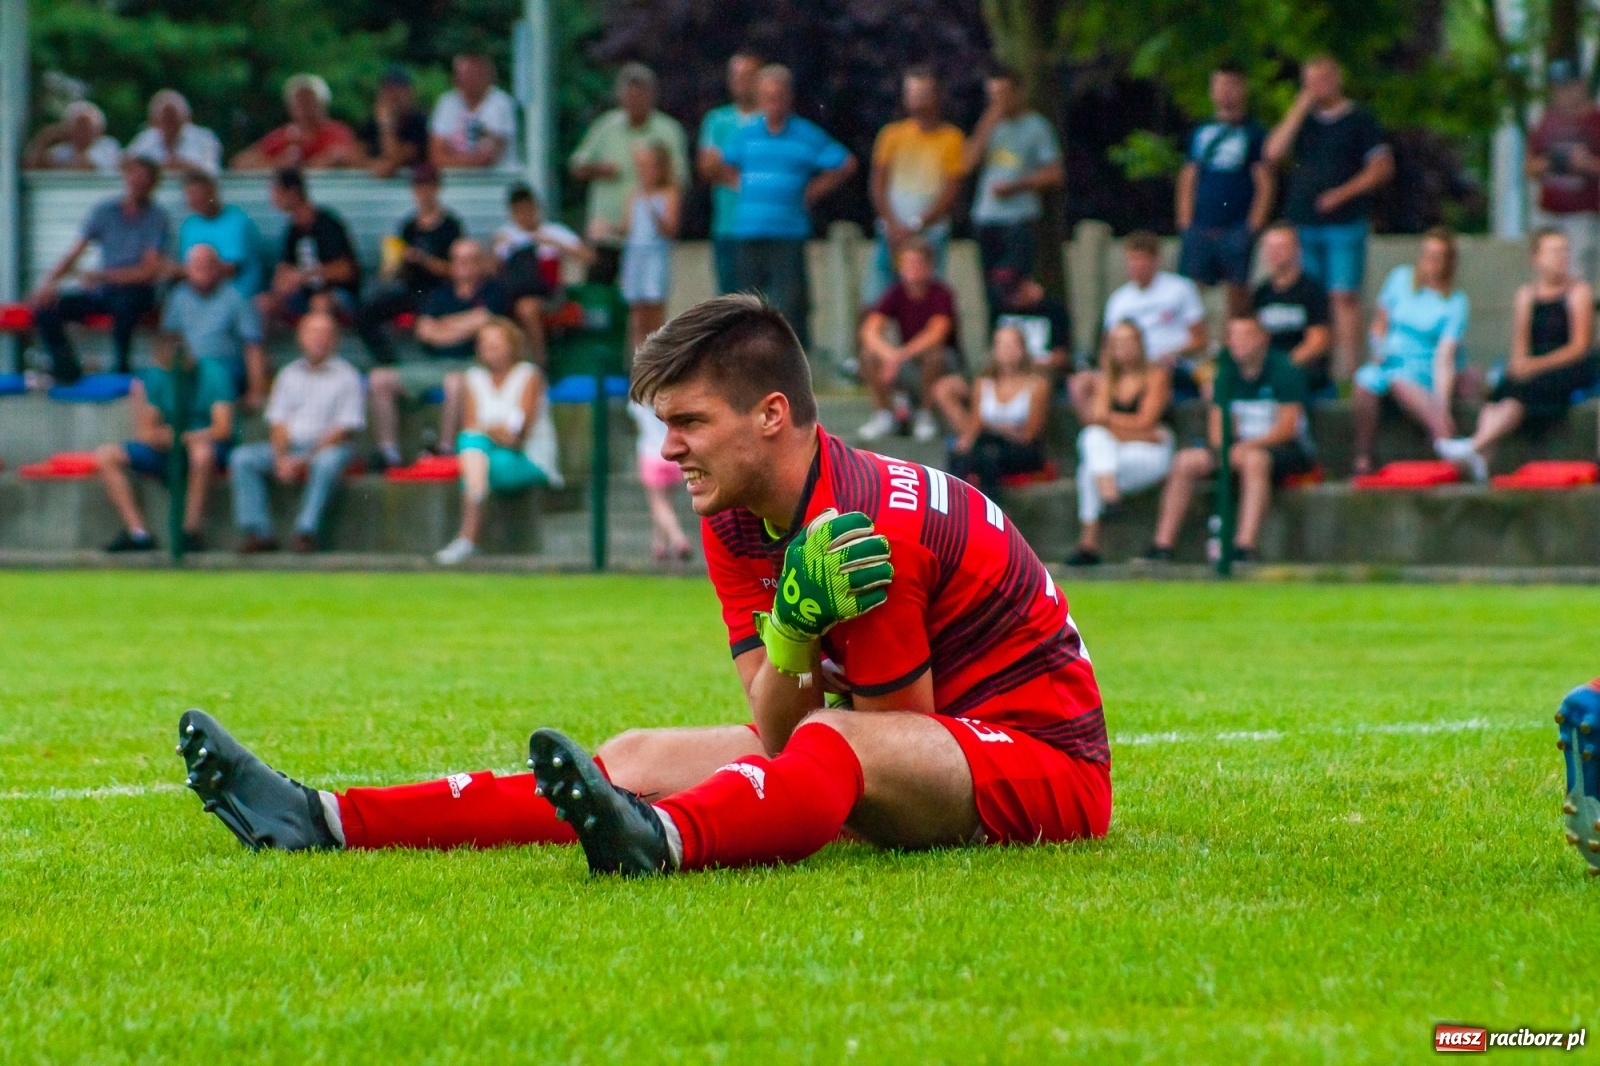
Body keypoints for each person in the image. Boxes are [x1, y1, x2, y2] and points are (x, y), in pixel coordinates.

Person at [177, 294, 1110, 886]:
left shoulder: (869, 529)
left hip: (1044, 763)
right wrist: (789, 635)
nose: (669, 450)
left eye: (691, 422)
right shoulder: (737, 511)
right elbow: (777, 724)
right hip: (920, 735)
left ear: (772, 415)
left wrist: (796, 646)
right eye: (666, 424)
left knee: (831, 740)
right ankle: (325, 820)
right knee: (634, 752)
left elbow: (866, 747)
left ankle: (662, 844)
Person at [1145, 315, 1314, 563]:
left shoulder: (1284, 370)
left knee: (1255, 461)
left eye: (1245, 335)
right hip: (1234, 448)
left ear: (1262, 339)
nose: (1237, 342)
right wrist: (1228, 447)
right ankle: (1162, 545)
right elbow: (1217, 428)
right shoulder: (1224, 373)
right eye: (1233, 336)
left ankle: (1244, 546)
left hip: (1278, 448)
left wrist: (1246, 447)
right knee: (1185, 461)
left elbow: (1287, 428)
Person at [1265, 55, 1393, 380]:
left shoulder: (1360, 120)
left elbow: (1381, 168)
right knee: (1309, 297)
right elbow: (1273, 154)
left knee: (1343, 295)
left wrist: (1342, 194)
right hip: (1304, 223)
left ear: (1337, 79)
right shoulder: (1303, 122)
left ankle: (1348, 375)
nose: (1316, 87)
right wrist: (1298, 108)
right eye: (1309, 81)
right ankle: (1313, 372)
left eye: (1322, 79)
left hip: (1345, 223)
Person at [1437, 228, 1599, 481]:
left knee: (1520, 395)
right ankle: (1481, 460)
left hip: (1567, 368)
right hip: (1534, 368)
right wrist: (1519, 364)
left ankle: (1473, 446)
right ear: (1536, 258)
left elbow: (1579, 348)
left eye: (1564, 251)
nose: (1561, 257)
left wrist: (1534, 366)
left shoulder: (1578, 292)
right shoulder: (1526, 295)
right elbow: (1520, 345)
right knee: (1500, 396)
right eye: (1554, 251)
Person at [720, 64, 856, 348]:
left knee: (789, 305)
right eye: (767, 96)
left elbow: (845, 163)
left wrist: (814, 189)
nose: (773, 102)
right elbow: (719, 164)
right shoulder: (747, 133)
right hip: (748, 229)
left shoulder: (805, 134)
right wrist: (742, 185)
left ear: (788, 98)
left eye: (778, 95)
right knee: (746, 307)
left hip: (788, 231)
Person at [230, 312, 365, 554]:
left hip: (328, 448)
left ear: (335, 340)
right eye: (313, 332)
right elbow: (278, 423)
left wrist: (304, 459)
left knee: (326, 462)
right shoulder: (287, 374)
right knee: (243, 458)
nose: (319, 339)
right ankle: (259, 532)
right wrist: (282, 458)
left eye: (325, 334)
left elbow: (343, 430)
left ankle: (306, 531)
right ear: (300, 337)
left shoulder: (348, 376)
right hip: (289, 447)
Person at [368, 239, 507, 468]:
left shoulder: (493, 290)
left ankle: (445, 452)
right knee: (379, 378)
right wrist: (462, 325)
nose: (463, 265)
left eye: (470, 259)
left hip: (473, 363)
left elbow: (483, 320)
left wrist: (442, 326)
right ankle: (389, 453)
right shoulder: (440, 292)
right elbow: (424, 331)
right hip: (436, 364)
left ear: (481, 263)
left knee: (455, 382)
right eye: (458, 259)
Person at [434, 318, 562, 565]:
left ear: (512, 346)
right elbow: (472, 428)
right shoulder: (474, 378)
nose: (488, 349)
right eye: (484, 344)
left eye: (496, 344)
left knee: (473, 458)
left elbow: (516, 436)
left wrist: (487, 430)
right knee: (473, 449)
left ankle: (467, 536)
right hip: (487, 455)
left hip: (529, 459)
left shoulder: (529, 375)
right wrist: (494, 430)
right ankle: (469, 529)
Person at [92, 335, 235, 554]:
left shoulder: (213, 373)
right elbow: (146, 432)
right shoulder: (155, 377)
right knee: (107, 455)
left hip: (201, 446)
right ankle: (138, 533)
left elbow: (222, 429)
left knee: (202, 454)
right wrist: (164, 437)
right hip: (166, 448)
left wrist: (183, 437)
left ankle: (189, 533)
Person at [30, 157, 169, 382]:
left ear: (154, 184)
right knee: (47, 307)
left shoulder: (156, 217)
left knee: (126, 303)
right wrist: (48, 283)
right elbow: (74, 253)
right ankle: (66, 370)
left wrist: (101, 276)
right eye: (135, 176)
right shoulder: (105, 210)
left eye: (146, 179)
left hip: (135, 291)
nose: (139, 183)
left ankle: (121, 369)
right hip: (105, 291)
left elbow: (148, 271)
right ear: (126, 177)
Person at [1351, 227, 1468, 475]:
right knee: (1365, 380)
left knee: (1401, 382)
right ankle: (1363, 454)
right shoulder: (1400, 278)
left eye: (1438, 256)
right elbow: (1380, 322)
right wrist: (1377, 346)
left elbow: (1445, 356)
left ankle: (1443, 436)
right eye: (1427, 254)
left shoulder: (1455, 302)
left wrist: (1442, 402)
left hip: (1422, 366)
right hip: (1388, 358)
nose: (1430, 262)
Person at [1067, 320, 1175, 567]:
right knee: (1091, 445)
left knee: (1092, 458)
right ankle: (1109, 498)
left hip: (1151, 451)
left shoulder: (1156, 375)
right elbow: (1099, 421)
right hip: (1117, 450)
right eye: (1117, 343)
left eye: (1129, 342)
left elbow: (1146, 422)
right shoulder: (1107, 380)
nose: (1124, 348)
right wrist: (1131, 427)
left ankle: (1089, 542)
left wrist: (1112, 423)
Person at [569, 64, 689, 284]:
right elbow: (577, 165)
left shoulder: (668, 131)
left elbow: (679, 180)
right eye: (629, 97)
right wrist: (600, 169)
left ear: (651, 96)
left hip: (648, 237)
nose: (634, 103)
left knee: (644, 299)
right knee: (601, 295)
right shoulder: (606, 127)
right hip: (608, 233)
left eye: (640, 96)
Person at [1176, 63, 1272, 318]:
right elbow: (1189, 176)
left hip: (1237, 225)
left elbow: (1264, 181)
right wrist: (1185, 222)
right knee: (1190, 291)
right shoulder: (1200, 130)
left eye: (1231, 86)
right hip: (1201, 223)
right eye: (1219, 86)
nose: (1225, 92)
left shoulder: (1254, 132)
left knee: (1238, 291)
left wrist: (1253, 225)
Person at [1076, 231, 1205, 420]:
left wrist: (1172, 353)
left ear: (1156, 260)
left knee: (1157, 377)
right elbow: (1108, 346)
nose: (1137, 266)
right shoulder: (1118, 299)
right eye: (1133, 260)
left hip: (1171, 365)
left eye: (1143, 260)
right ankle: (1098, 433)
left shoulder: (1180, 289)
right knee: (1080, 383)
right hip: (1127, 366)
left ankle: (1146, 427)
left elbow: (1200, 339)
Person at [864, 67, 966, 304]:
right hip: (890, 233)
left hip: (931, 235)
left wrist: (917, 225)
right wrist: (892, 224)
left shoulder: (951, 138)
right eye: (911, 92)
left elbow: (950, 190)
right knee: (875, 298)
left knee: (926, 300)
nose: (915, 98)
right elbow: (878, 183)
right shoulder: (891, 135)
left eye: (922, 92)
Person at [964, 65, 1064, 295]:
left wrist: (1017, 186)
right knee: (991, 288)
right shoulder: (988, 126)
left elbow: (1054, 174)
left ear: (1019, 92)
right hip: (986, 217)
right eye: (993, 95)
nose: (998, 101)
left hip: (1020, 218)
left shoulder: (1037, 127)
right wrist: (988, 122)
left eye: (1003, 94)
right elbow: (967, 164)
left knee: (1015, 286)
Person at [355, 164, 463, 366]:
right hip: (414, 290)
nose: (423, 192)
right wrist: (393, 265)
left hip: (441, 292)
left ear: (437, 188)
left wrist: (423, 259)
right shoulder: (408, 226)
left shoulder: (450, 226)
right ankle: (387, 363)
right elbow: (399, 274)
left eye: (428, 186)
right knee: (367, 312)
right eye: (419, 186)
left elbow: (456, 270)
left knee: (430, 317)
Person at [857, 238, 960, 442]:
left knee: (934, 355)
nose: (911, 268)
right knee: (868, 355)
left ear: (929, 266)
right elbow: (869, 330)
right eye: (907, 263)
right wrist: (889, 354)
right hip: (906, 360)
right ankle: (884, 414)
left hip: (944, 363)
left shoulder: (941, 294)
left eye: (917, 263)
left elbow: (937, 334)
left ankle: (925, 414)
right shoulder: (895, 292)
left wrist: (898, 356)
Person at [930, 324, 1049, 496]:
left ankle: (991, 507)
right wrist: (968, 441)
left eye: (1011, 345)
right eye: (1001, 345)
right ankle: (950, 505)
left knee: (988, 456)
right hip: (988, 444)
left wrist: (993, 427)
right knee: (960, 455)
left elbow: (1029, 434)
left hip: (1021, 449)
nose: (1006, 350)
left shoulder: (1037, 385)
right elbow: (976, 425)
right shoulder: (983, 383)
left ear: (1022, 349)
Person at [493, 185, 594, 367]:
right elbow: (492, 268)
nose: (525, 215)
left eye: (528, 209)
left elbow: (588, 257)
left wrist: (552, 243)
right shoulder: (506, 236)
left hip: (550, 295)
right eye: (519, 211)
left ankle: (540, 364)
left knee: (526, 308)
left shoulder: (553, 231)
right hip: (514, 294)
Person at [160, 244, 268, 411]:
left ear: (218, 267)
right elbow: (169, 340)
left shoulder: (237, 297)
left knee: (211, 372)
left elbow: (252, 346)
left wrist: (255, 392)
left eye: (208, 265)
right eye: (197, 265)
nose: (203, 270)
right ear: (187, 269)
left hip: (225, 368)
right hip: (188, 367)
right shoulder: (178, 296)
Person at [1525, 59, 1600, 287]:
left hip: (1582, 216)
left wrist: (1585, 163)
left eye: (1568, 86)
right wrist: (1546, 164)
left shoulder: (1595, 122)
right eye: (1558, 87)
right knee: (1545, 281)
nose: (1562, 93)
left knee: (1577, 279)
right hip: (1549, 214)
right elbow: (1530, 167)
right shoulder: (1547, 121)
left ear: (1581, 85)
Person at [258, 168, 360, 327]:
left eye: (276, 192)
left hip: (337, 295)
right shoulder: (292, 231)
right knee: (263, 304)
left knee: (320, 302)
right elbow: (283, 271)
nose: (272, 199)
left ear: (293, 192)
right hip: (302, 297)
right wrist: (280, 285)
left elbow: (346, 270)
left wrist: (302, 276)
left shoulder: (327, 224)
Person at [697, 52, 763, 294]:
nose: (741, 82)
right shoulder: (717, 120)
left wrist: (725, 167)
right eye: (736, 76)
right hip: (727, 226)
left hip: (764, 227)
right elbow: (706, 166)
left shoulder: (770, 119)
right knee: (729, 299)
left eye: (747, 76)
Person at [1252, 222, 1332, 395]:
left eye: (1281, 247)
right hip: (1268, 370)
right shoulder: (1260, 294)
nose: (1275, 253)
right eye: (1270, 247)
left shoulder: (1312, 291)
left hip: (1304, 369)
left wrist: (1284, 367)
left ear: (1296, 249)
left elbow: (1318, 342)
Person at [619, 141, 681, 354]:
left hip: (655, 255)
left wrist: (654, 212)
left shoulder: (669, 194)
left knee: (655, 309)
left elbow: (670, 229)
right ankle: (637, 359)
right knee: (637, 312)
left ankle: (657, 356)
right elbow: (628, 228)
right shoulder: (633, 195)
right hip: (635, 255)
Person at [231, 75, 362, 171]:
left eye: (309, 101)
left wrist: (303, 165)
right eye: (299, 103)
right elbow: (239, 163)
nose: (304, 108)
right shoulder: (286, 135)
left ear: (323, 104)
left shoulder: (337, 132)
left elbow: (347, 158)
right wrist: (278, 163)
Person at [175, 171, 265, 299]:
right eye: (190, 194)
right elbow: (189, 266)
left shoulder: (237, 221)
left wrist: (176, 271)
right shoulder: (189, 226)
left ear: (212, 192)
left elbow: (229, 270)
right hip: (200, 295)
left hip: (238, 295)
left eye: (198, 193)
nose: (194, 199)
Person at [428, 53, 519, 171]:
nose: (468, 80)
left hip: (497, 182)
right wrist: (471, 160)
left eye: (474, 75)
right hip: (453, 183)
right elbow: (436, 156)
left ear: (487, 76)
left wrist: (451, 157)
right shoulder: (447, 102)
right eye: (463, 75)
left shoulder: (501, 103)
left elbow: (490, 157)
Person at [629, 399, 692, 561]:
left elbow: (639, 427)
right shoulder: (668, 400)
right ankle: (660, 545)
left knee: (658, 504)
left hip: (651, 455)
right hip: (671, 457)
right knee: (667, 504)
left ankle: (678, 539)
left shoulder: (638, 403)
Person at [989, 268, 1073, 379]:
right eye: (1005, 290)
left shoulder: (1054, 311)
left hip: (1044, 376)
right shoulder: (999, 311)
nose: (1010, 295)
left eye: (1014, 289)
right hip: (1007, 376)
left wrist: (1029, 365)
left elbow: (1062, 357)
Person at [125, 90, 221, 175]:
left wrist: (182, 165)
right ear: (154, 121)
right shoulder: (146, 138)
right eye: (164, 117)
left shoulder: (205, 137)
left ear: (186, 117)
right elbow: (126, 164)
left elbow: (211, 172)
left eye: (173, 117)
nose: (169, 122)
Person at [363, 68, 429, 179]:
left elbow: (395, 158)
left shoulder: (420, 122)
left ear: (411, 92)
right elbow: (356, 155)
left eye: (399, 90)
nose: (393, 96)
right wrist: (372, 165)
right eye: (389, 90)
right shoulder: (371, 122)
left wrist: (386, 124)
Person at [22, 101, 120, 172]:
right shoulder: (63, 150)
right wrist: (45, 139)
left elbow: (84, 169)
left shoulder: (108, 147)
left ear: (99, 129)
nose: (82, 132)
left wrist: (60, 168)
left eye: (87, 127)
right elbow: (31, 166)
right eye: (77, 127)